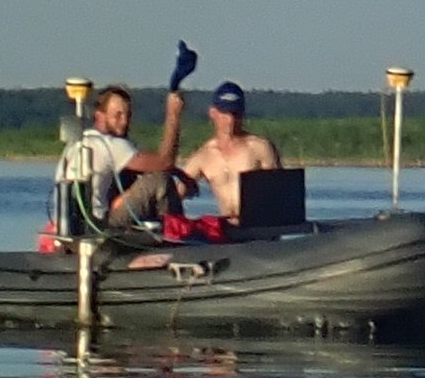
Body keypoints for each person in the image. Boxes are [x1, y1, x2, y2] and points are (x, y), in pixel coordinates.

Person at [57, 45, 199, 236]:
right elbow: (164, 162)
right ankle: (178, 236)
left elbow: (144, 163)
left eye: (127, 115)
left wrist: (181, 174)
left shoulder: (80, 143)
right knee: (159, 180)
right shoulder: (110, 145)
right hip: (99, 225)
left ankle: (160, 230)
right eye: (117, 115)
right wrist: (173, 115)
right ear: (99, 116)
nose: (124, 122)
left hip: (73, 222)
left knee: (136, 176)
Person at [172, 81, 284, 221]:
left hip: (257, 226)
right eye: (225, 113)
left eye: (235, 114)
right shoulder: (203, 156)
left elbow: (280, 195)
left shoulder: (260, 148)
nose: (230, 120)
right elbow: (175, 197)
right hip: (227, 226)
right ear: (213, 112)